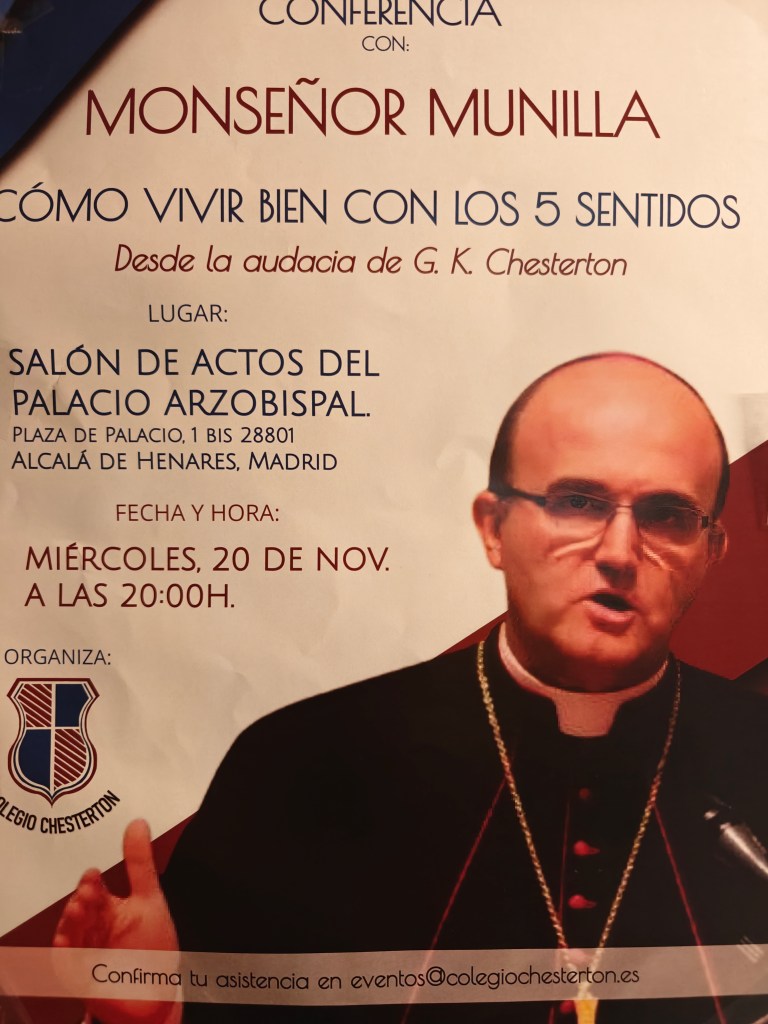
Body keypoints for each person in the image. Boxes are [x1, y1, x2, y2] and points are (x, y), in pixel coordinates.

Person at [54, 353, 768, 1024]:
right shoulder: (299, 760)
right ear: (494, 528)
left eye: (668, 515)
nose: (618, 552)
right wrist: (159, 1015)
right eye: (577, 502)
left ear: (710, 552)